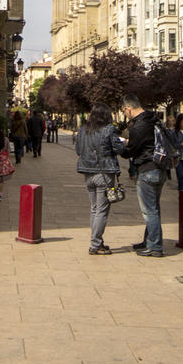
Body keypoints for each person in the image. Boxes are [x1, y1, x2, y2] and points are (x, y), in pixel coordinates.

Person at [75, 102, 126, 255]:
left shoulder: (83, 129)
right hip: (104, 174)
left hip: (87, 173)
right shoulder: (109, 130)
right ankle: (95, 244)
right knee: (102, 211)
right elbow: (119, 149)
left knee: (95, 209)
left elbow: (78, 150)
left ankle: (97, 241)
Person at [121, 93, 166, 257]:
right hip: (160, 168)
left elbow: (130, 151)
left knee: (149, 211)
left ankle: (155, 247)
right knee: (154, 208)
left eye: (123, 111)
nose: (125, 114)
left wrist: (121, 147)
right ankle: (149, 240)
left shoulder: (139, 125)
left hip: (147, 169)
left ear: (128, 108)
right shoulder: (153, 120)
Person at [174, 113, 183, 191]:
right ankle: (181, 192)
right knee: (182, 176)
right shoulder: (174, 132)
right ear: (179, 122)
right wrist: (182, 144)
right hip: (179, 157)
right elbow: (172, 145)